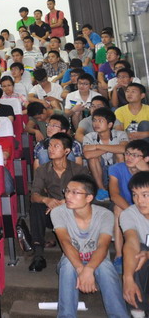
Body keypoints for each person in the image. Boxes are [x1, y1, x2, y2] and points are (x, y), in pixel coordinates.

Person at [51, 173, 129, 318]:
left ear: (89, 198)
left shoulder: (105, 215)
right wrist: (82, 269)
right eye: (67, 191)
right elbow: (65, 242)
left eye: (75, 192)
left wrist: (89, 269)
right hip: (71, 260)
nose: (68, 196)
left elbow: (103, 246)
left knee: (105, 266)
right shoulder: (58, 212)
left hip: (98, 261)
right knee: (68, 265)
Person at [28, 133, 89, 272]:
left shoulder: (79, 170)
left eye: (56, 146)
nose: (51, 149)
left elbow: (87, 195)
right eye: (50, 146)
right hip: (52, 212)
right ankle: (38, 255)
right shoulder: (42, 170)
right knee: (36, 206)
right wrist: (46, 199)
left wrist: (66, 202)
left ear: (67, 151)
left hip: (73, 212)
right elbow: (34, 195)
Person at [108, 140, 149, 273]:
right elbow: (114, 195)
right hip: (125, 205)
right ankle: (119, 255)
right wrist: (133, 212)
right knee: (118, 209)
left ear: (146, 158)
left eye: (135, 155)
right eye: (127, 153)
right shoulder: (116, 168)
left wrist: (146, 170)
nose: (129, 157)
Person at [83, 107, 129, 201]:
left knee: (119, 154)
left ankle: (120, 187)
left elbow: (123, 149)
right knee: (93, 157)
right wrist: (112, 148)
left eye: (100, 121)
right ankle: (101, 190)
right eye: (94, 120)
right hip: (99, 170)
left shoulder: (121, 134)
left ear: (110, 124)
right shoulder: (89, 136)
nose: (96, 124)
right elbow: (87, 154)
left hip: (115, 167)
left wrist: (97, 146)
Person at [120, 171, 149, 314]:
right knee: (139, 251)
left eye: (145, 195)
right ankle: (137, 311)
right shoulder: (129, 214)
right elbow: (131, 242)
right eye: (134, 195)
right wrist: (128, 279)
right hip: (144, 271)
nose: (139, 201)